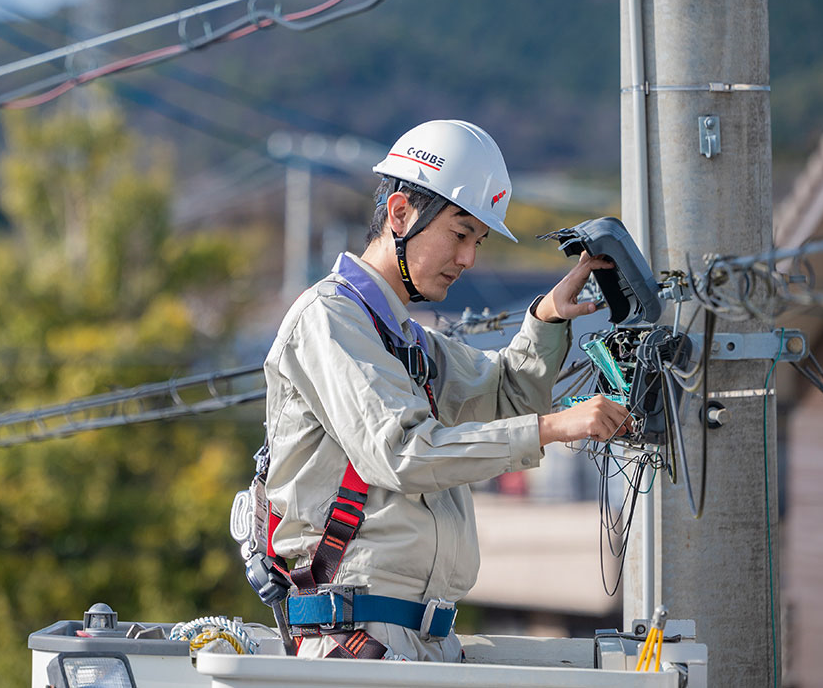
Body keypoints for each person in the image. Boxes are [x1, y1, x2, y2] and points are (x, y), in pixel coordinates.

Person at [263, 119, 630, 662]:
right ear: (400, 213)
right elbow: (404, 452)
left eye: (477, 242)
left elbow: (508, 397)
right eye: (460, 235)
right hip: (359, 640)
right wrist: (557, 427)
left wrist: (548, 318)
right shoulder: (330, 319)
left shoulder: (410, 342)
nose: (469, 259)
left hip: (421, 636)